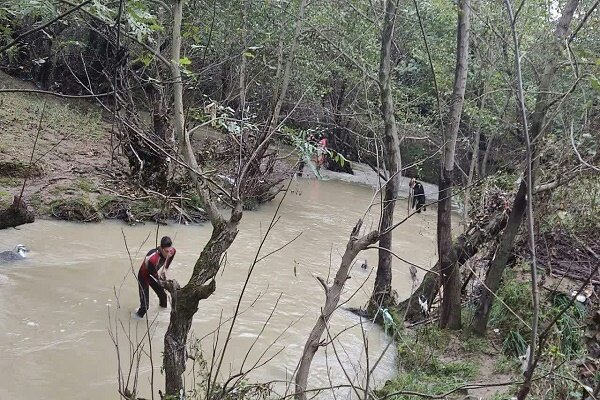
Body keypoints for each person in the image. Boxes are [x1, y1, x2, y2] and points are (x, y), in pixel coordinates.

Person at [136, 236, 176, 318]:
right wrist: (165, 284)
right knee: (145, 307)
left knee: (163, 297)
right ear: (161, 249)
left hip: (153, 274)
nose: (168, 253)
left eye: (169, 251)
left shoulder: (172, 251)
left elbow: (170, 258)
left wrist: (165, 269)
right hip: (144, 276)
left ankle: (160, 315)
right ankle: (135, 319)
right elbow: (155, 276)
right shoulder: (153, 258)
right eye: (166, 251)